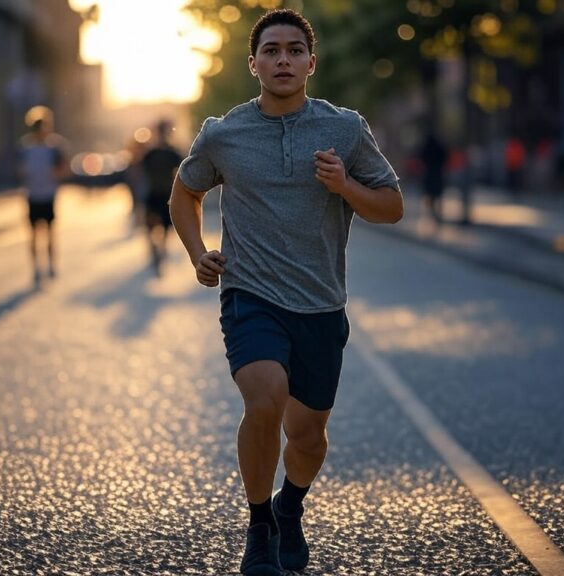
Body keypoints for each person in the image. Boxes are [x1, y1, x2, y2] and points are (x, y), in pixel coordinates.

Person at [169, 9, 403, 575]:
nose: (282, 59)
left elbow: (392, 207)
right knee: (264, 396)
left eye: (294, 50)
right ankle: (259, 527)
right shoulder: (223, 134)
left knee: (308, 436)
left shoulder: (344, 129)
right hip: (250, 292)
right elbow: (184, 193)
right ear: (253, 64)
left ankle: (289, 505)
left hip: (321, 302)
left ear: (310, 63)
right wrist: (199, 254)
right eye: (270, 50)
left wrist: (344, 185)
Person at [18, 106, 69, 285]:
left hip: (48, 194)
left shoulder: (55, 146)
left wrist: (55, 173)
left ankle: (51, 265)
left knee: (50, 233)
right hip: (33, 194)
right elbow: (19, 170)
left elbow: (64, 168)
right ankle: (36, 268)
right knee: (33, 234)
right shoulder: (26, 147)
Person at [141, 119, 183, 275]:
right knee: (157, 226)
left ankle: (157, 250)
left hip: (159, 193)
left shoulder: (151, 153)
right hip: (161, 193)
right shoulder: (170, 152)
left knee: (156, 227)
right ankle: (158, 250)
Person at [419, 131, 448, 222]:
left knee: (430, 194)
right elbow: (445, 156)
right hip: (438, 172)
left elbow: (422, 156)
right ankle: (437, 213)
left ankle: (432, 212)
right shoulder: (439, 146)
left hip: (429, 172)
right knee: (438, 193)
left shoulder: (427, 147)